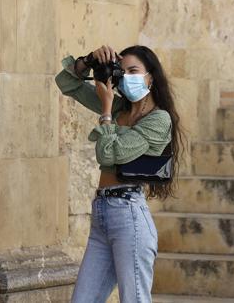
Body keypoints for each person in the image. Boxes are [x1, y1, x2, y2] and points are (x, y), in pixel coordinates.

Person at [55, 45, 183, 302]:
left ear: (151, 77)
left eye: (134, 70)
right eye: (122, 71)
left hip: (129, 216)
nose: (127, 77)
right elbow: (67, 84)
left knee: (133, 298)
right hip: (102, 214)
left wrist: (105, 111)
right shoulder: (120, 108)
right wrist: (89, 61)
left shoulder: (159, 120)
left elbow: (110, 154)